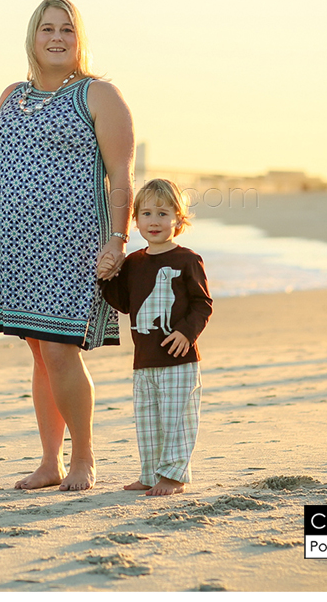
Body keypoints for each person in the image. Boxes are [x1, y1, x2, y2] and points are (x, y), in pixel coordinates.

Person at [0, 0, 134, 491]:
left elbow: (121, 175)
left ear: (79, 39)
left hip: (72, 246)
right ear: (32, 38)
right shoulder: (11, 95)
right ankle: (50, 462)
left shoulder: (98, 95)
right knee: (40, 352)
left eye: (66, 29)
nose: (56, 37)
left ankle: (83, 459)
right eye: (47, 28)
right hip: (15, 246)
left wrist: (117, 239)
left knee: (60, 349)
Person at [98, 179, 212, 496]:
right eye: (146, 213)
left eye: (163, 214)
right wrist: (106, 278)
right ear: (135, 220)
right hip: (144, 359)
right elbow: (124, 303)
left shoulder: (188, 260)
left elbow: (203, 304)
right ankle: (150, 474)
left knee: (178, 420)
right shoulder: (134, 262)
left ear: (178, 219)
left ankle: (174, 476)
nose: (154, 221)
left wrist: (186, 332)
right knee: (148, 422)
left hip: (179, 360)